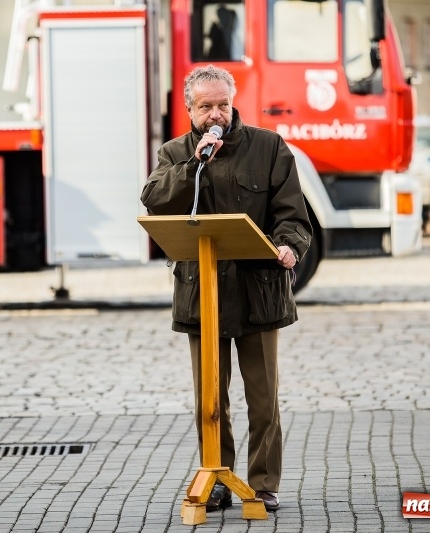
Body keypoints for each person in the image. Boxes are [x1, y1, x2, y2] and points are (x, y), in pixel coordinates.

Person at [141, 65, 313, 512]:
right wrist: (194, 165)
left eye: (223, 105)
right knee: (210, 400)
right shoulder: (175, 153)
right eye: (206, 107)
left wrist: (289, 246)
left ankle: (263, 483)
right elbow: (154, 199)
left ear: (233, 104)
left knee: (263, 398)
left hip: (259, 292)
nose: (216, 115)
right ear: (189, 109)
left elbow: (293, 215)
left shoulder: (269, 147)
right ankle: (217, 478)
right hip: (202, 294)